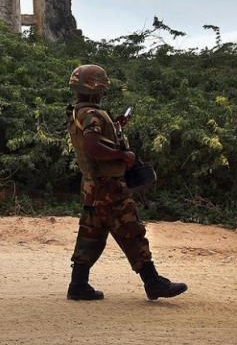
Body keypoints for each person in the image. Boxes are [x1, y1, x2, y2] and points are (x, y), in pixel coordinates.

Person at [65, 64, 187, 301]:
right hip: (110, 187)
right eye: (101, 88)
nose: (102, 93)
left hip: (93, 187)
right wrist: (122, 155)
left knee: (91, 235)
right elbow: (92, 146)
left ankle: (78, 285)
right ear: (94, 88)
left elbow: (93, 140)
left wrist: (115, 128)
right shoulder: (91, 114)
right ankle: (153, 283)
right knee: (132, 232)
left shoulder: (78, 111)